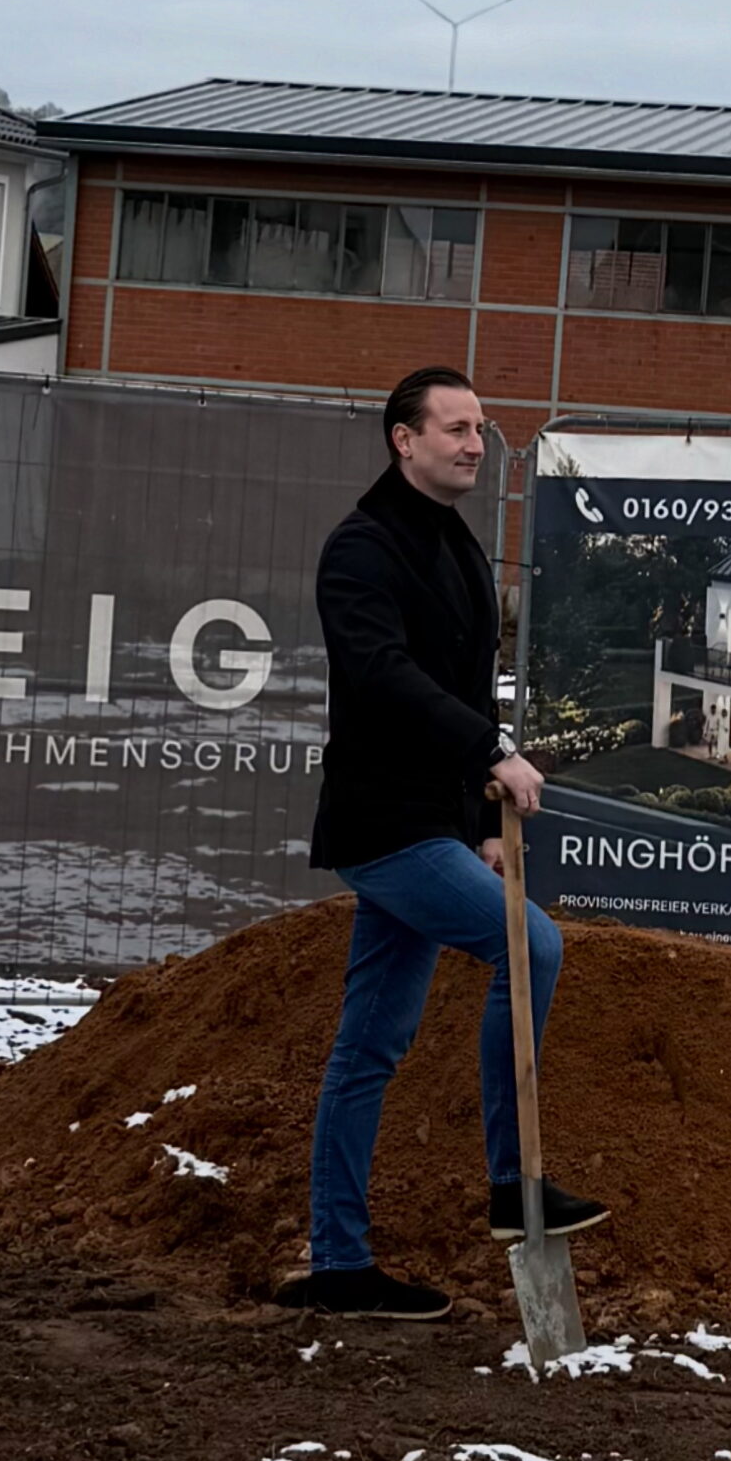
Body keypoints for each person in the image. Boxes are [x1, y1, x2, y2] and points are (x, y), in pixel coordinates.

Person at [277, 367, 608, 1316]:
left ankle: (340, 1266)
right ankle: (512, 1184)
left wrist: (480, 826)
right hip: (383, 823)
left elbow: (462, 685)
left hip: (435, 822)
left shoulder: (456, 544)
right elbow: (382, 675)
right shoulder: (362, 548)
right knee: (530, 945)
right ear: (404, 439)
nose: (474, 444)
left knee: (369, 1049)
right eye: (456, 428)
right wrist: (490, 753)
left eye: (479, 429)